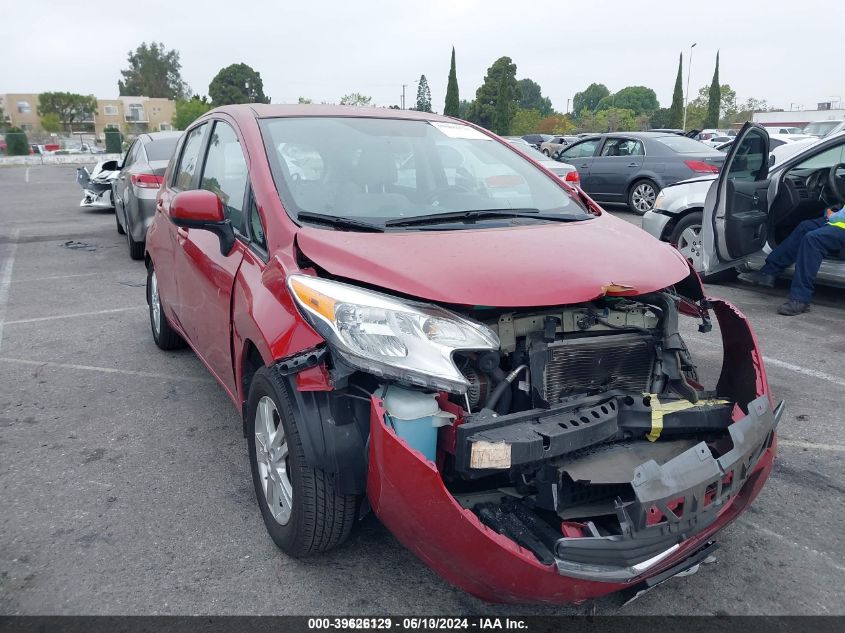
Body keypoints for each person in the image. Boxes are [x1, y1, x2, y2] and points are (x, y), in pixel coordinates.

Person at [738, 205, 845, 315]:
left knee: (813, 239)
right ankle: (769, 272)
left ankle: (800, 299)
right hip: (839, 223)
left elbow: (838, 217)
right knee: (805, 226)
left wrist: (831, 215)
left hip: (840, 223)